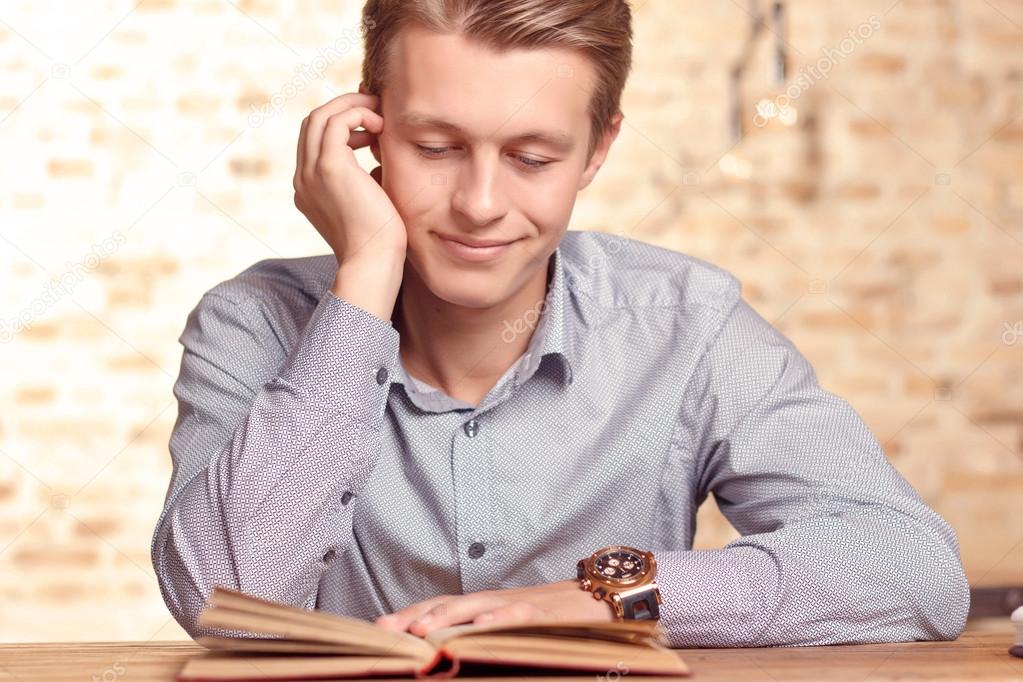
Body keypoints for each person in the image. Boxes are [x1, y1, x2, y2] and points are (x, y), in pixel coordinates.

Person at [151, 0, 969, 648]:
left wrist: (615, 597)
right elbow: (231, 605)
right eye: (434, 146)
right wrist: (364, 276)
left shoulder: (686, 325)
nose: (478, 205)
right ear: (369, 133)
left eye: (532, 158)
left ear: (597, 149)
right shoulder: (252, 324)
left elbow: (912, 567)